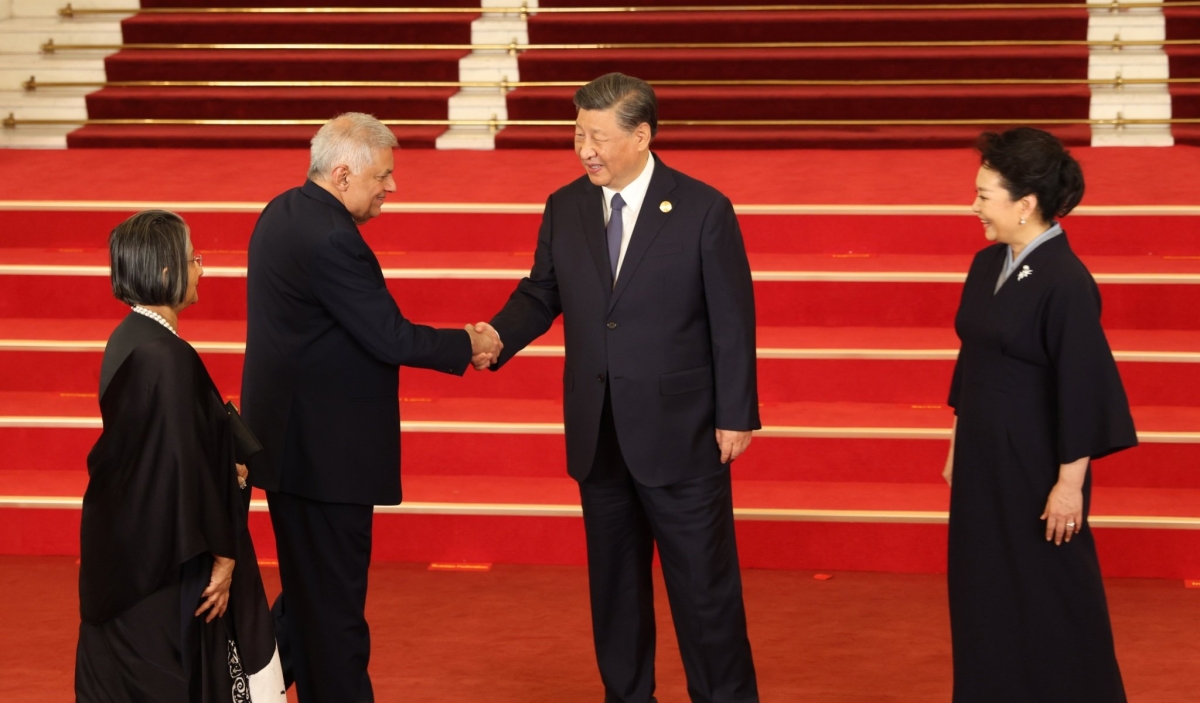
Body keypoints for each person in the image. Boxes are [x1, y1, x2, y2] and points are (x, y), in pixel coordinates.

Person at [476, 73, 760, 703]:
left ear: (642, 135)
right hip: (599, 434)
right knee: (615, 593)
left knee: (704, 594)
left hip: (682, 435)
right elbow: (542, 292)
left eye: (597, 137)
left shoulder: (702, 208)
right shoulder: (565, 205)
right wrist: (494, 335)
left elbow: (732, 320)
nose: (585, 150)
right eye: (577, 134)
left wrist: (736, 414)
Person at [240, 112, 500, 702]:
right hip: (326, 460)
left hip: (291, 452)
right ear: (342, 173)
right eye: (383, 175)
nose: (392, 187)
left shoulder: (282, 210)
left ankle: (248, 689)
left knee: (310, 597)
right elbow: (391, 336)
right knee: (333, 616)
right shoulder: (332, 238)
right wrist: (470, 344)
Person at [944, 127, 1138, 702]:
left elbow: (1082, 386)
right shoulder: (986, 265)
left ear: (1025, 203)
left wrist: (1069, 487)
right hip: (982, 460)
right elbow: (972, 357)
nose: (973, 205)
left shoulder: (1066, 281)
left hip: (1037, 468)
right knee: (982, 592)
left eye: (984, 195)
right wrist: (958, 445)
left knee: (1050, 596)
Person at [76, 210, 284, 702]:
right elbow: (180, 467)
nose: (202, 269)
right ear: (167, 271)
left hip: (130, 549)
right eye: (194, 259)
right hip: (168, 563)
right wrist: (226, 553)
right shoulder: (166, 356)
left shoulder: (129, 338)